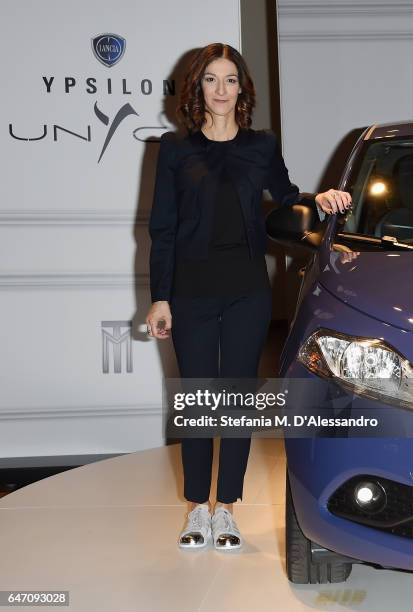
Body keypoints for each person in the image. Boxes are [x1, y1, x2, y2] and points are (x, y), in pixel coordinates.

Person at [145, 43, 351, 551]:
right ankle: (197, 507)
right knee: (199, 401)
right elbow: (162, 230)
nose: (221, 89)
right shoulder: (174, 150)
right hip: (190, 292)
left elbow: (285, 193)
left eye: (230, 79)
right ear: (197, 88)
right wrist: (160, 298)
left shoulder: (260, 146)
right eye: (211, 80)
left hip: (246, 292)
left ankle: (227, 510)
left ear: (242, 88)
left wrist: (317, 200)